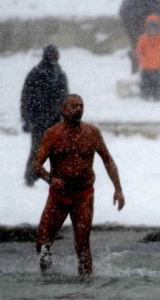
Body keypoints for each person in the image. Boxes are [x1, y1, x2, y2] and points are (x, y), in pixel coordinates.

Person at [32, 94, 125, 279]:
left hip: (83, 195)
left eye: (81, 106)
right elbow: (36, 164)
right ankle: (47, 278)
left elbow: (108, 161)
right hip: (58, 195)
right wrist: (50, 179)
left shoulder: (91, 133)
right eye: (73, 106)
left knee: (82, 243)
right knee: (42, 242)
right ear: (63, 109)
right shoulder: (53, 134)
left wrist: (118, 189)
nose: (78, 109)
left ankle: (85, 286)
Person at [20, 45, 69, 187]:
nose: (55, 57)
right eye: (52, 54)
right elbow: (26, 97)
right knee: (37, 149)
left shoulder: (60, 74)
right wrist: (27, 118)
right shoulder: (36, 74)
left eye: (56, 54)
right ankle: (31, 176)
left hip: (56, 119)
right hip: (39, 119)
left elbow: (65, 97)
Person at [135, 14, 160, 101]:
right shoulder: (143, 38)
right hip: (146, 65)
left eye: (155, 27)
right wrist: (139, 59)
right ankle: (145, 93)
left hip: (157, 66)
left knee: (156, 82)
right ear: (147, 27)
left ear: (158, 27)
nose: (153, 29)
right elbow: (139, 50)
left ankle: (156, 94)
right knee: (146, 81)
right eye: (150, 27)